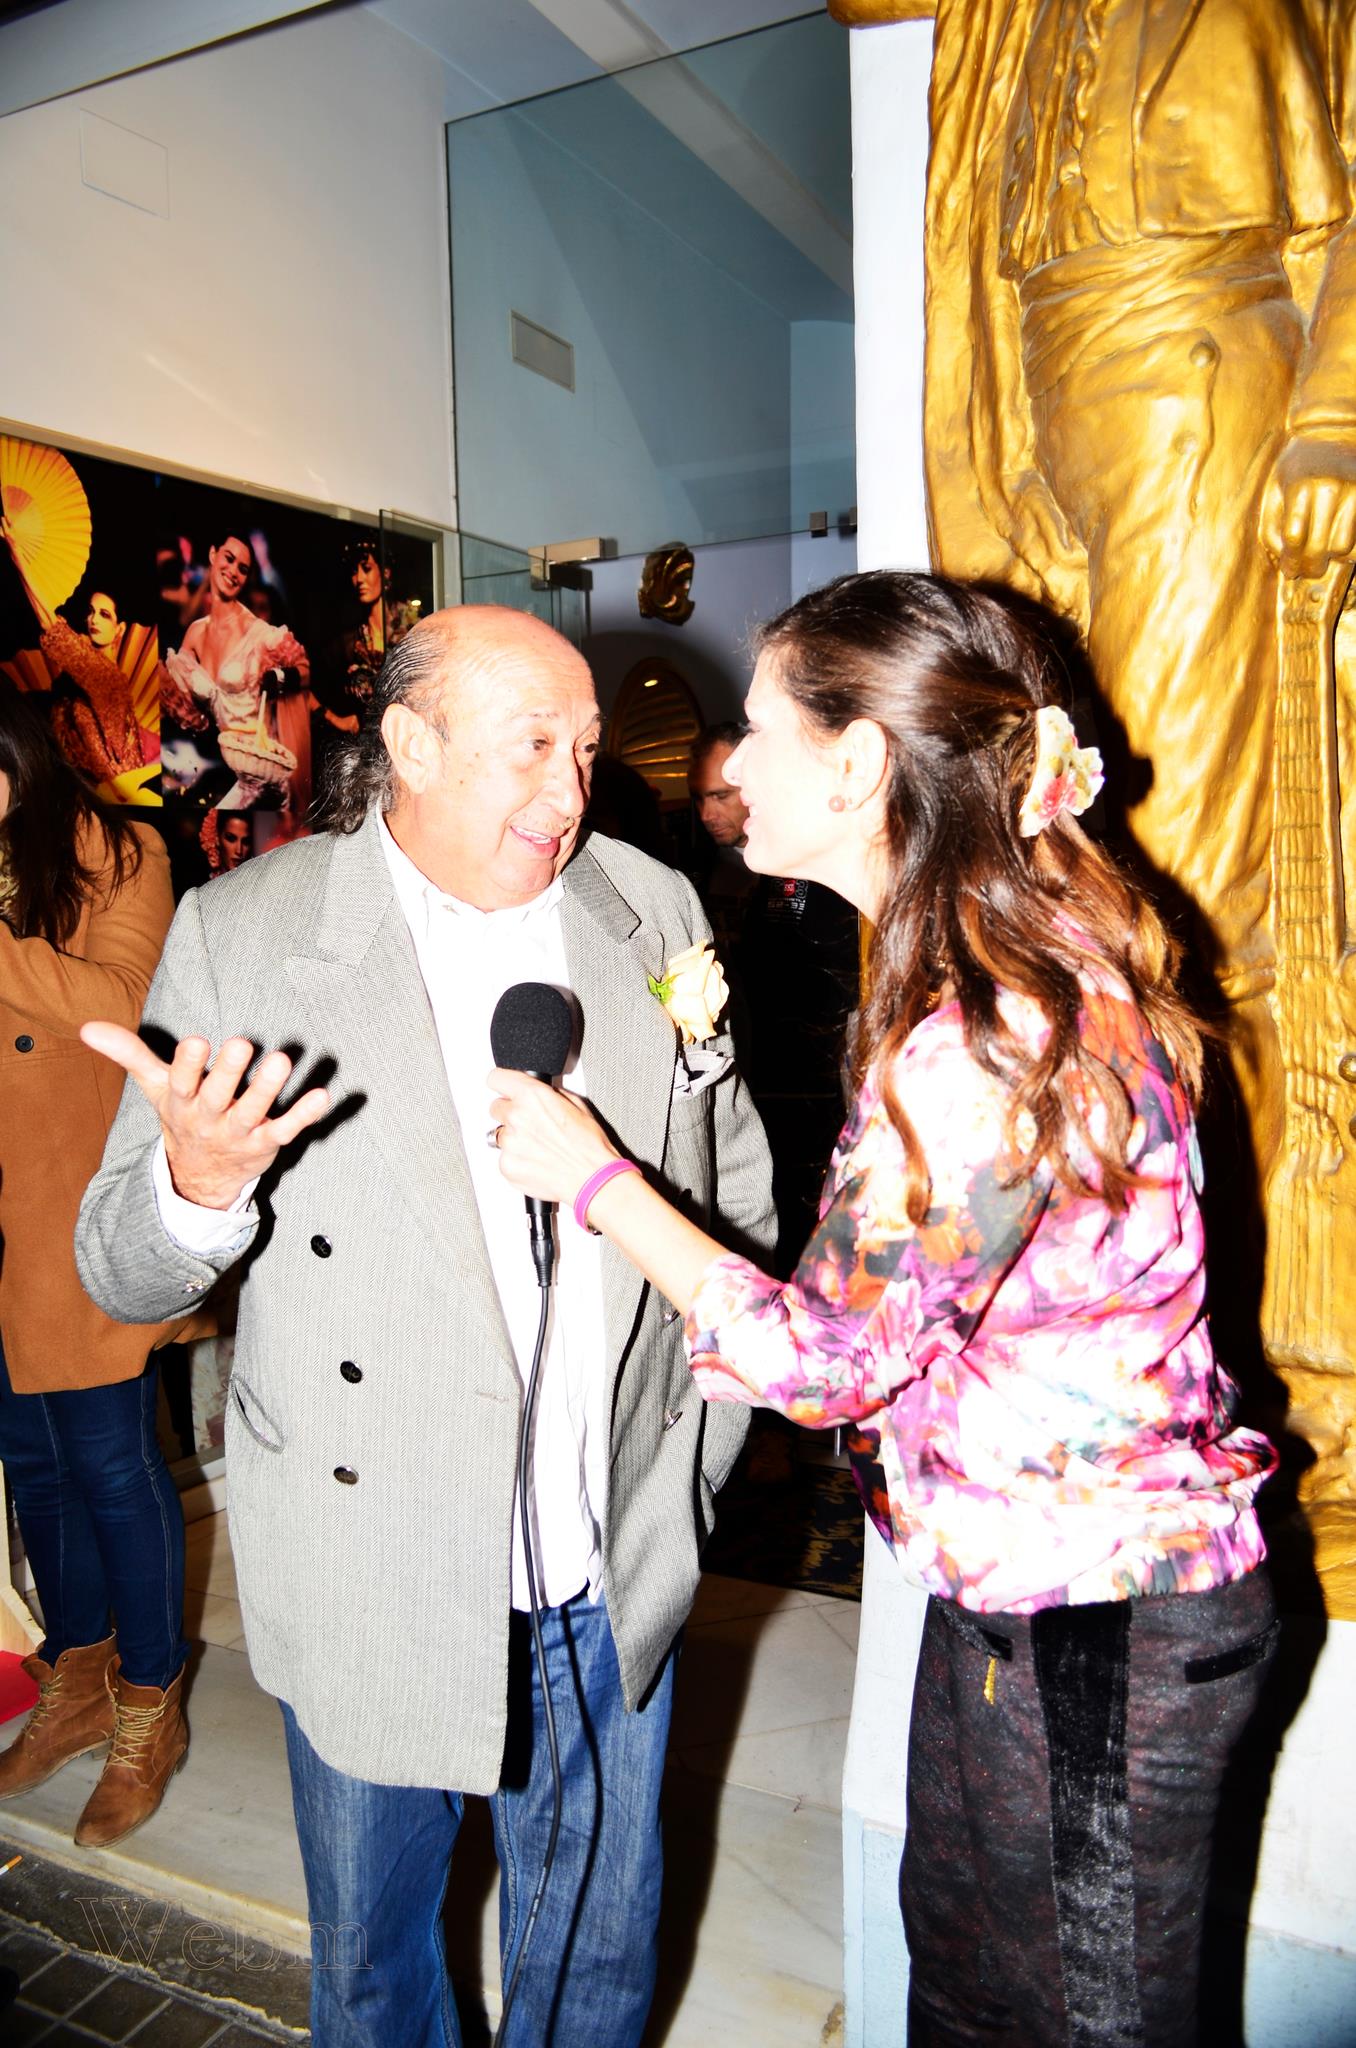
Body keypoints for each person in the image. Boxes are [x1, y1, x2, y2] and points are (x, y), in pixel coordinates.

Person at [491, 572, 1278, 2047]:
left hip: (1095, 1615)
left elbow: (827, 1360)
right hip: (1028, 1591)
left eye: (759, 727)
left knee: (1073, 2022)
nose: (731, 761)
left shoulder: (991, 1029)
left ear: (856, 766)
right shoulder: (987, 966)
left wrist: (598, 1183)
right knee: (970, 1993)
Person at [75, 605, 774, 2048]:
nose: (571, 791)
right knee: (379, 1971)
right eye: (533, 746)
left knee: (597, 1956)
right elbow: (118, 1270)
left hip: (607, 1548)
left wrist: (697, 1455)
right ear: (408, 742)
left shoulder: (649, 905)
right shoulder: (249, 931)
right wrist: (198, 1184)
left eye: (586, 749)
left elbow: (734, 1182)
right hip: (374, 1557)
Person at [917, 0, 1356, 1165]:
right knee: (1059, 863)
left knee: (1182, 877)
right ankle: (1113, 1208)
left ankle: (1226, 1243)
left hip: (1199, 377)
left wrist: (1336, 410)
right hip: (1049, 415)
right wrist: (1009, 447)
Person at [0, 692, 189, 1848]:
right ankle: (75, 1680)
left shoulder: (119, 850)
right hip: (1, 1223)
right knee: (33, 1462)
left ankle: (148, 1704)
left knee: (110, 1460)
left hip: (77, 1205)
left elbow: (124, 1004)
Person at [162, 529, 311, 814]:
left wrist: (280, 677)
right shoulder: (195, 632)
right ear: (212, 554)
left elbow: (304, 671)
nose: (233, 572)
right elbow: (188, 706)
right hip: (226, 765)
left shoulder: (257, 632)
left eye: (242, 569)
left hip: (264, 772)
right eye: (228, 559)